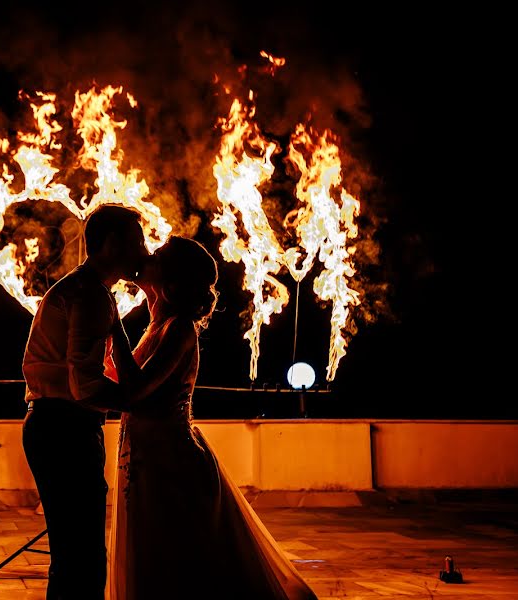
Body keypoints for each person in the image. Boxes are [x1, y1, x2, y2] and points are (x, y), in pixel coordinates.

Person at [106, 236, 319, 600]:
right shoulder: (156, 325)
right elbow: (115, 375)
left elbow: (135, 388)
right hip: (145, 459)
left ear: (170, 278)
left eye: (156, 256)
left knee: (179, 563)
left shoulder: (179, 329)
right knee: (150, 554)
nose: (146, 258)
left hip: (172, 464)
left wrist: (113, 324)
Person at [22, 204, 149, 600]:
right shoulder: (90, 297)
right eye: (137, 241)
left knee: (75, 553)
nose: (144, 251)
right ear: (112, 244)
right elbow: (86, 386)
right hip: (65, 428)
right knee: (82, 556)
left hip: (57, 425)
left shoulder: (93, 292)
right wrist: (139, 403)